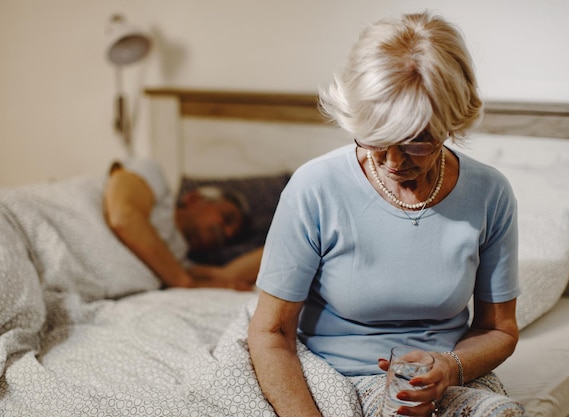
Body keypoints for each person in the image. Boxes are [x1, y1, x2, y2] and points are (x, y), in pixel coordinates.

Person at [248, 12, 524, 417]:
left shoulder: (489, 193)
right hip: (329, 375)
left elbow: (498, 328)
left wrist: (449, 367)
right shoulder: (315, 188)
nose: (394, 161)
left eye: (417, 141)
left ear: (451, 122)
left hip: (442, 379)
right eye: (376, 137)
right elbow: (270, 330)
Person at [104, 158, 262, 290]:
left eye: (230, 240)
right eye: (227, 218)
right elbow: (123, 217)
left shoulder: (180, 264)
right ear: (194, 198)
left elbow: (227, 275)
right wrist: (183, 281)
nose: (227, 232)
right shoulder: (153, 179)